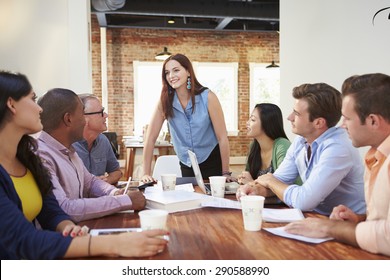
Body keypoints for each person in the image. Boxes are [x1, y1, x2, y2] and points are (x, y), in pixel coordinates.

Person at [0, 71, 168, 259]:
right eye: (33, 99)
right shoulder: (39, 154)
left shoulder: (26, 158)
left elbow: (52, 210)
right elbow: (23, 240)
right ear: (11, 104)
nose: (40, 109)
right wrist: (115, 242)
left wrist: (67, 226)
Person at [285, 73, 390, 256]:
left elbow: (387, 237)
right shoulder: (376, 156)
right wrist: (358, 219)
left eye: (347, 118)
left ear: (373, 121)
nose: (342, 126)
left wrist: (329, 227)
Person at [237, 82, 366, 216]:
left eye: (296, 114)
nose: (289, 117)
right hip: (314, 217)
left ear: (318, 123)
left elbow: (304, 201)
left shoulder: (338, 148)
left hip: (345, 224)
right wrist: (255, 189)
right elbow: (280, 179)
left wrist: (270, 181)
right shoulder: (301, 140)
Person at [37, 88, 145, 222]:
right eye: (82, 115)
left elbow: (90, 182)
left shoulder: (68, 150)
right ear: (68, 119)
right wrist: (124, 201)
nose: (84, 122)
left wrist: (114, 192)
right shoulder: (41, 156)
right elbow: (64, 209)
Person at [141, 53, 234, 182]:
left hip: (212, 160)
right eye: (167, 73)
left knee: (213, 200)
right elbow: (150, 139)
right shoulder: (165, 102)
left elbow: (222, 137)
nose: (171, 76)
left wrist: (226, 172)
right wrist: (145, 173)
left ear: (188, 72)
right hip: (187, 164)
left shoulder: (208, 97)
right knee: (192, 198)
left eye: (176, 70)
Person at [73, 94, 122, 185]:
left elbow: (117, 172)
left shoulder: (103, 140)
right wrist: (92, 183)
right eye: (101, 112)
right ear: (84, 118)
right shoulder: (68, 146)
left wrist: (105, 181)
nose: (106, 115)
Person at [237, 103, 291, 185]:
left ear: (267, 123)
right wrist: (243, 178)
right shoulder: (254, 147)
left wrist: (252, 183)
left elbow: (283, 185)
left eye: (253, 120)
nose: (247, 123)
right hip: (261, 198)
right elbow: (248, 176)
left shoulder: (282, 145)